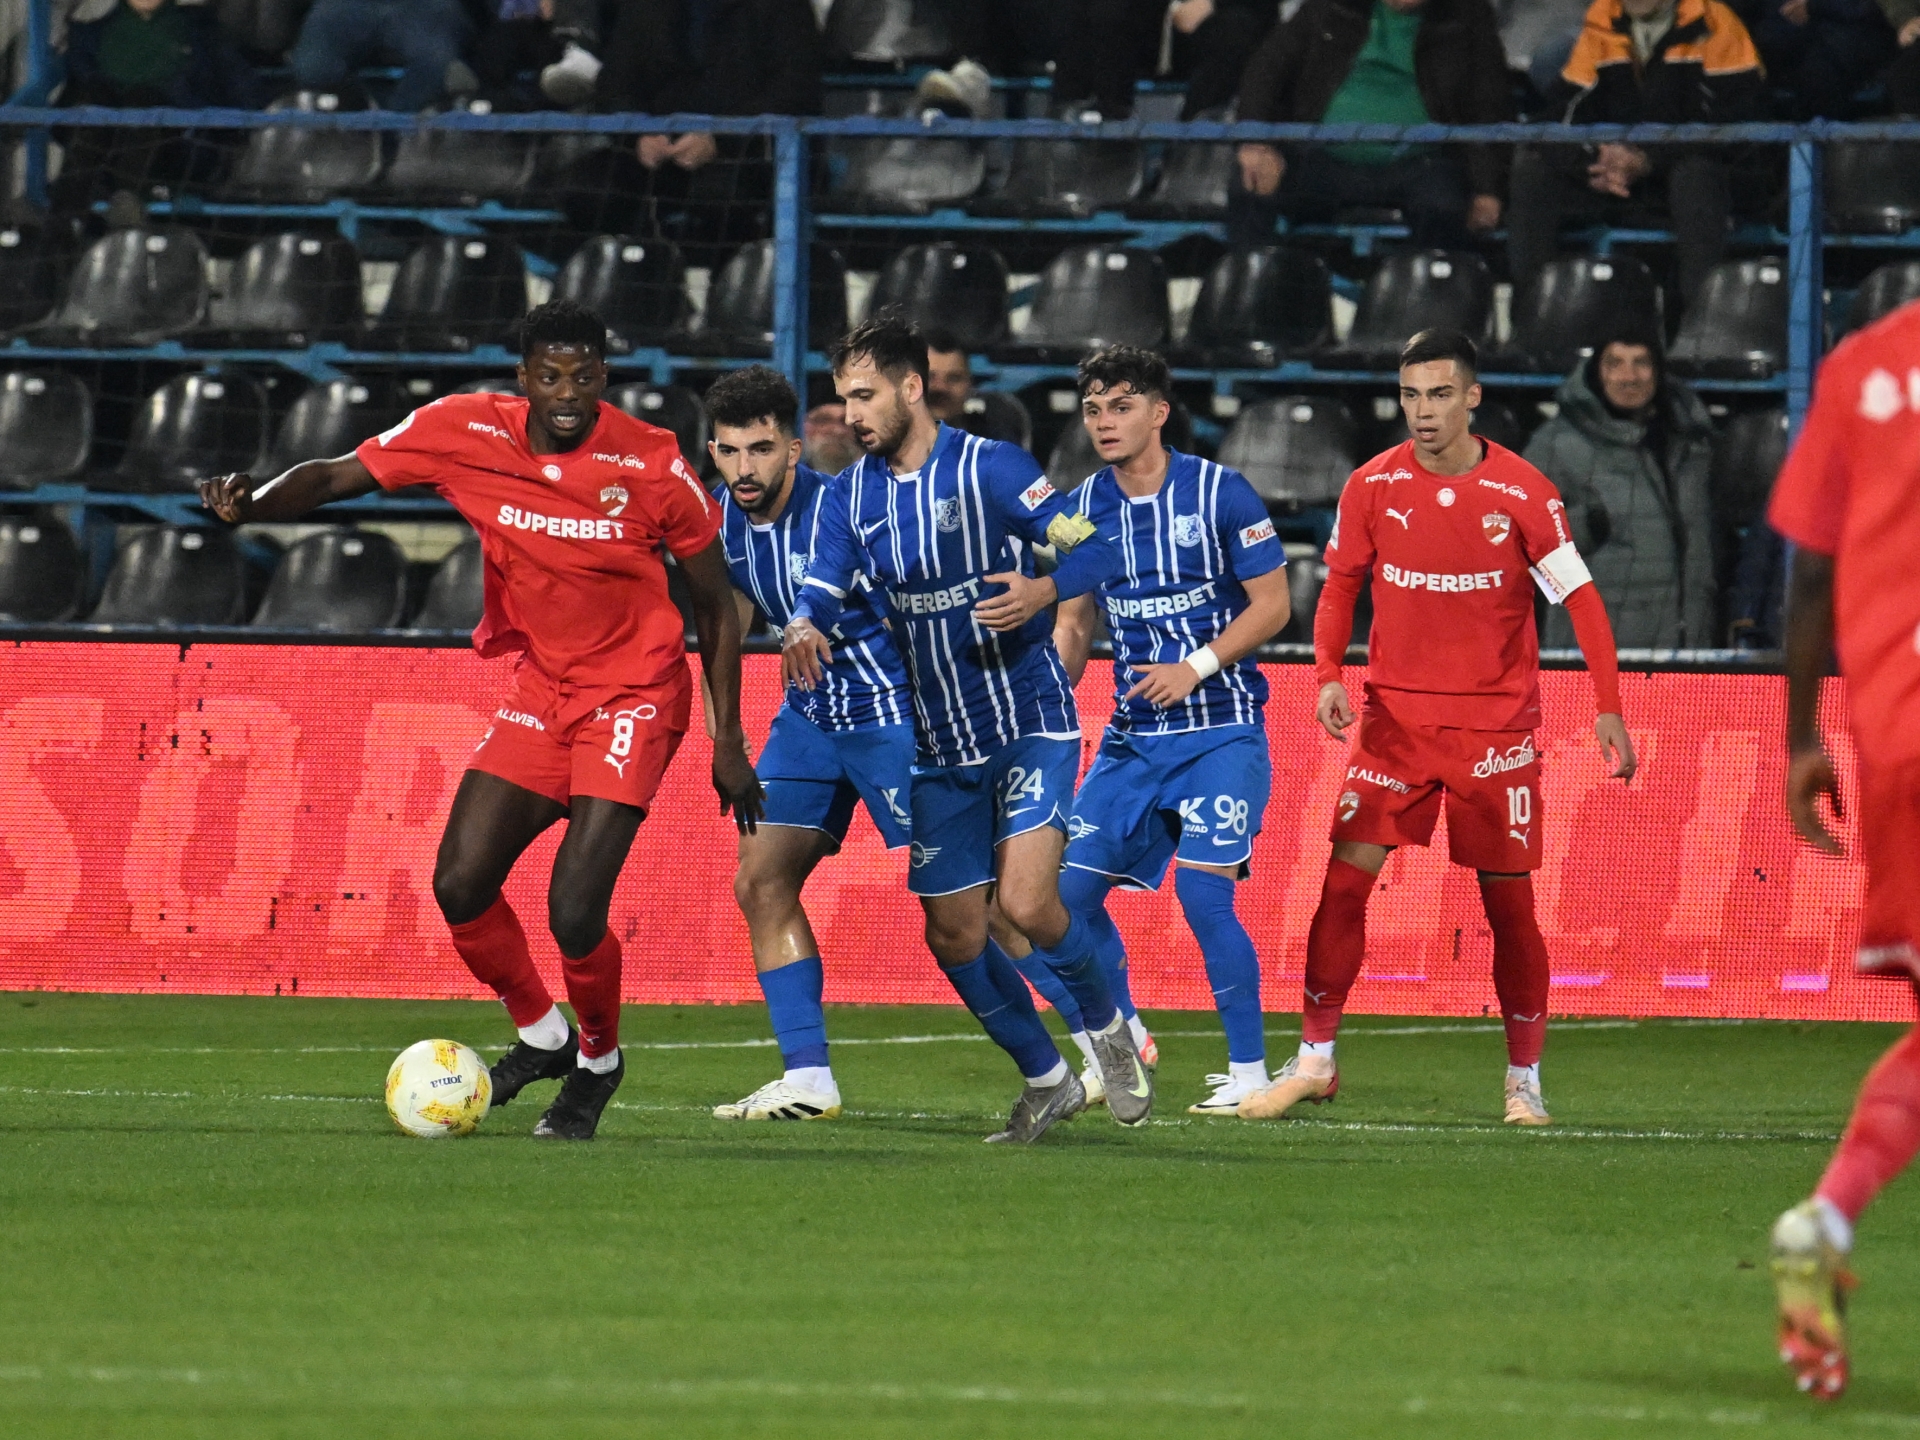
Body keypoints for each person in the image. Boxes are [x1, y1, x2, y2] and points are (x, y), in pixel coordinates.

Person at [198, 300, 764, 1141]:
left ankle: (598, 1064)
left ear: (604, 378)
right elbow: (337, 475)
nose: (566, 393)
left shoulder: (651, 462)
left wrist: (728, 740)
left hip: (635, 692)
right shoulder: (461, 429)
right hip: (543, 689)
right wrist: (254, 504)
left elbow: (716, 606)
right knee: (460, 882)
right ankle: (543, 1035)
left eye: (583, 377)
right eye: (550, 376)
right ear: (523, 377)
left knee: (574, 909)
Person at [1238, 328, 1637, 1127]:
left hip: (1495, 733)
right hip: (1396, 723)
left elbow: (1581, 598)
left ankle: (1523, 1079)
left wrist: (1609, 706)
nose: (1423, 411)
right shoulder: (1371, 485)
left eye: (1440, 394)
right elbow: (1340, 586)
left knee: (1508, 908)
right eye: (1411, 395)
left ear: (1473, 398)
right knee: (1343, 884)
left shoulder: (1524, 493)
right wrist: (1327, 676)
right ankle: (1314, 1060)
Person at [782, 313, 1156, 1145]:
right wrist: (803, 623)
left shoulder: (993, 469)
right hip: (941, 745)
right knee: (953, 932)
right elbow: (823, 587)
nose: (851, 414)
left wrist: (1043, 590)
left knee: (1025, 902)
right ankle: (1047, 1080)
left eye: (866, 396)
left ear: (912, 387)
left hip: (1028, 720)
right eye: (844, 398)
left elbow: (1097, 550)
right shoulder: (849, 496)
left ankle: (1110, 1032)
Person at [1052, 346, 1295, 1115]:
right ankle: (1124, 1034)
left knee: (1203, 897)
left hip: (1220, 729)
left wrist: (1195, 665)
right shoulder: (1078, 513)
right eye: (1093, 409)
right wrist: (1044, 702)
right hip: (1133, 741)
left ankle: (1250, 1073)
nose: (1104, 422)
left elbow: (1274, 605)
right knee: (1058, 902)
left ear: (1158, 412)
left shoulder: (1222, 492)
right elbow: (1073, 623)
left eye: (1121, 406)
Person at [1765, 299, 1920, 1402]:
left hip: (1897, 733)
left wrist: (1801, 738)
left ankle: (1825, 1218)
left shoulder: (1865, 365)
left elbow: (1811, 572)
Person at [700, 365, 914, 1121]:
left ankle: (1102, 1036)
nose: (744, 468)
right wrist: (726, 739)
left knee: (976, 901)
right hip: (810, 720)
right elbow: (724, 630)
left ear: (793, 449)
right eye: (729, 451)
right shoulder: (718, 520)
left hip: (894, 715)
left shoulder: (845, 510)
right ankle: (809, 1078)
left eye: (760, 450)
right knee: (760, 880)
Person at [1507, 0, 1761, 319]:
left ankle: (1701, 324)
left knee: (1695, 175)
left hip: (1702, 178)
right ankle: (1532, 319)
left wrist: (1648, 159)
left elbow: (1733, 126)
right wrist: (1592, 161)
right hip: (1623, 180)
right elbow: (1561, 114)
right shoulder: (1603, 20)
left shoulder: (1715, 25)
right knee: (1534, 168)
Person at [1231, 0, 1513, 250]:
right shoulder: (1331, 6)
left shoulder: (1468, 15)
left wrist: (1487, 188)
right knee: (1250, 181)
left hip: (1423, 165)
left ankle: (1426, 292)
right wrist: (1255, 141)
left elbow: (1491, 103)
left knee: (1446, 208)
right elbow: (1265, 69)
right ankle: (1254, 287)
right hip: (1320, 157)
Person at [578, 0, 822, 260]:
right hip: (659, 152)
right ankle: (639, 270)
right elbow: (614, 86)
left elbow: (795, 90)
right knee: (587, 187)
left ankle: (734, 279)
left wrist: (719, 138)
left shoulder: (783, 7)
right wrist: (640, 135)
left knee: (723, 196)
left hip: (748, 155)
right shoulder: (646, 6)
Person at [1522, 328, 1717, 649]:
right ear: (1596, 371)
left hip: (1686, 650)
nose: (1629, 377)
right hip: (1595, 652)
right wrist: (1585, 526)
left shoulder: (1692, 443)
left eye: (1641, 363)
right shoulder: (1556, 444)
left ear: (1658, 371)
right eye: (1615, 364)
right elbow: (1517, 542)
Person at [289, 0, 473, 114]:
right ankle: (358, 118)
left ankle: (398, 127)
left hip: (422, 7)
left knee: (436, 61)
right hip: (347, 6)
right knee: (311, 67)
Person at [1739, 0, 1894, 118]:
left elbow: (1867, 9)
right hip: (1777, 47)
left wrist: (1814, 6)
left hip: (1844, 44)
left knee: (1820, 63)